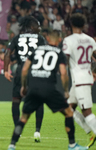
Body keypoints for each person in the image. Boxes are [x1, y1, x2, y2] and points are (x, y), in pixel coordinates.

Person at [7, 30, 88, 150]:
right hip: (49, 89)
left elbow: (24, 70)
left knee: (23, 118)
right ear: (59, 40)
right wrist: (65, 90)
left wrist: (24, 86)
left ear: (48, 39)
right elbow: (63, 73)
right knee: (69, 113)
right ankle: (72, 145)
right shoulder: (59, 53)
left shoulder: (36, 50)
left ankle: (12, 145)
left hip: (33, 89)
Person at [4, 16, 46, 142]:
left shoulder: (17, 38)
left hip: (20, 73)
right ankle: (37, 131)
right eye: (38, 26)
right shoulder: (40, 38)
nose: (39, 28)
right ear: (32, 27)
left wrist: (6, 70)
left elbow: (7, 54)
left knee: (16, 101)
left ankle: (18, 130)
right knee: (38, 102)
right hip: (35, 73)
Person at [63, 13, 96, 148]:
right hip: (82, 79)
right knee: (68, 109)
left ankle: (93, 130)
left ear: (71, 25)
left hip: (80, 79)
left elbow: (64, 60)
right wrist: (94, 72)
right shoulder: (91, 40)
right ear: (83, 26)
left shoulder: (69, 40)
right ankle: (90, 132)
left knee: (87, 112)